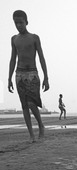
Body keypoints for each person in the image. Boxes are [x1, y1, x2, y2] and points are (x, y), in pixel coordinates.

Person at [8, 10, 49, 142]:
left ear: (26, 22)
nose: (18, 25)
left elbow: (42, 57)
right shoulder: (14, 39)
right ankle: (31, 134)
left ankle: (41, 126)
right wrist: (9, 78)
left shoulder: (34, 38)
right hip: (19, 74)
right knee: (24, 105)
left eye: (21, 22)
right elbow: (13, 59)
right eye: (16, 23)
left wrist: (46, 77)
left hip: (32, 73)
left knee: (32, 103)